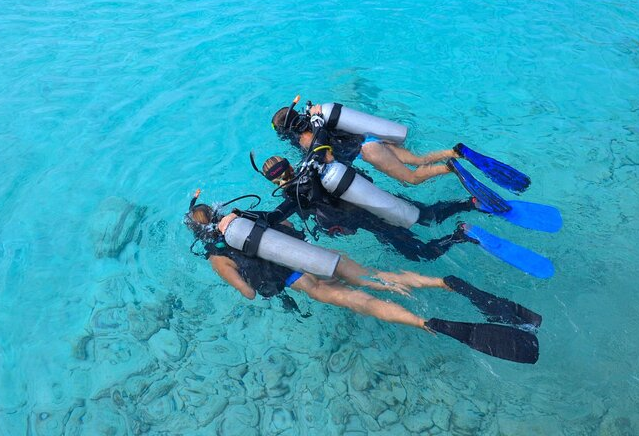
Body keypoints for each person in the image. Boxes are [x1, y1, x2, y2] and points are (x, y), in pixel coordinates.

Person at [184, 198, 542, 364]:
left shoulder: (218, 257)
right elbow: (290, 228)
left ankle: (425, 322)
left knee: (366, 302)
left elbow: (247, 292)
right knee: (377, 278)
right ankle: (443, 283)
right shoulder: (247, 220)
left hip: (301, 281)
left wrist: (250, 280)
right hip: (315, 257)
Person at [257, 155, 477, 262]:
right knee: (427, 215)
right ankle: (470, 203)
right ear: (290, 165)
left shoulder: (295, 198)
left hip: (376, 224)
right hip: (382, 200)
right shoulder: (316, 166)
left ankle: (459, 236)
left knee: (421, 254)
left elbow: (277, 215)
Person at [272, 103, 456, 185]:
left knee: (412, 178)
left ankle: (450, 168)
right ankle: (454, 152)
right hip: (370, 138)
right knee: (419, 160)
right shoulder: (315, 115)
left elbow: (329, 158)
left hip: (368, 151)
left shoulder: (305, 139)